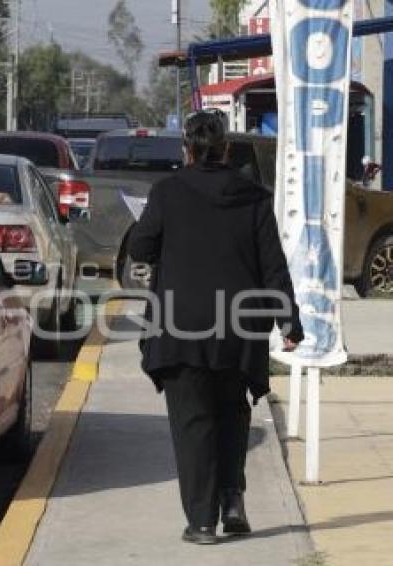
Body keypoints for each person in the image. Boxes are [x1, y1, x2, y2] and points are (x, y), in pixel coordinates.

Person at [127, 111, 304, 545]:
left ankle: (202, 522)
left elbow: (141, 247)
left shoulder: (167, 192)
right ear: (227, 149)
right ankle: (233, 501)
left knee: (194, 424)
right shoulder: (254, 197)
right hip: (239, 330)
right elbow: (273, 265)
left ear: (186, 150)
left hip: (181, 327)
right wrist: (289, 321)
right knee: (232, 414)